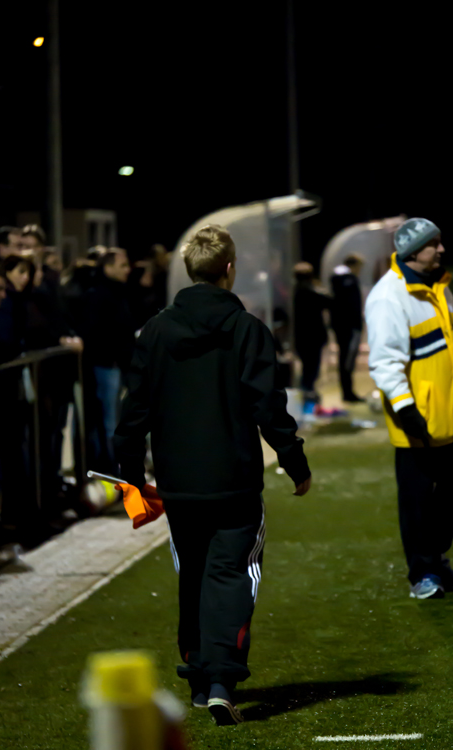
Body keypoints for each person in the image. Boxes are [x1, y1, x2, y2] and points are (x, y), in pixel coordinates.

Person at [114, 224, 311, 726]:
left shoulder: (155, 330)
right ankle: (221, 677)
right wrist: (294, 462)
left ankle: (201, 675)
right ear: (229, 268)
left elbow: (132, 410)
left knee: (196, 574)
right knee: (230, 575)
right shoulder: (247, 328)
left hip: (180, 482)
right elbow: (267, 404)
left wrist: (130, 476)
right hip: (234, 478)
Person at [366, 218, 453, 600]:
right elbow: (385, 362)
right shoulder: (389, 296)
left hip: (450, 414)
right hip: (417, 419)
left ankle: (436, 557)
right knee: (416, 500)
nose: (442, 249)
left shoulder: (439, 288)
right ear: (414, 251)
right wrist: (406, 409)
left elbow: (450, 352)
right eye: (434, 244)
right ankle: (422, 572)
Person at [82, 248, 135, 473]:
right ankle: (110, 467)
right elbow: (98, 332)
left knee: (115, 419)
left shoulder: (118, 292)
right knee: (108, 421)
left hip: (117, 364)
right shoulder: (98, 295)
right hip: (106, 365)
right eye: (122, 265)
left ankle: (114, 464)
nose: (128, 270)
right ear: (108, 267)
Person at [330, 254, 365, 402]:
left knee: (346, 358)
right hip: (349, 327)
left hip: (344, 325)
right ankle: (347, 393)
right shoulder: (346, 279)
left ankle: (348, 392)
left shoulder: (343, 279)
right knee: (347, 359)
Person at [293, 262, 330, 399]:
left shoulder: (293, 292)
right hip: (314, 336)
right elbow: (329, 301)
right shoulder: (312, 291)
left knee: (306, 367)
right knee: (312, 368)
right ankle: (307, 393)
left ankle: (306, 392)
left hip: (299, 335)